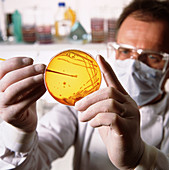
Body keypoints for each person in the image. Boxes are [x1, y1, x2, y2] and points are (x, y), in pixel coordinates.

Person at [0, 0, 169, 169]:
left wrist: (141, 158)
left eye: (153, 57)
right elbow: (32, 163)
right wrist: (20, 133)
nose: (133, 65)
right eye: (125, 51)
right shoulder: (82, 101)